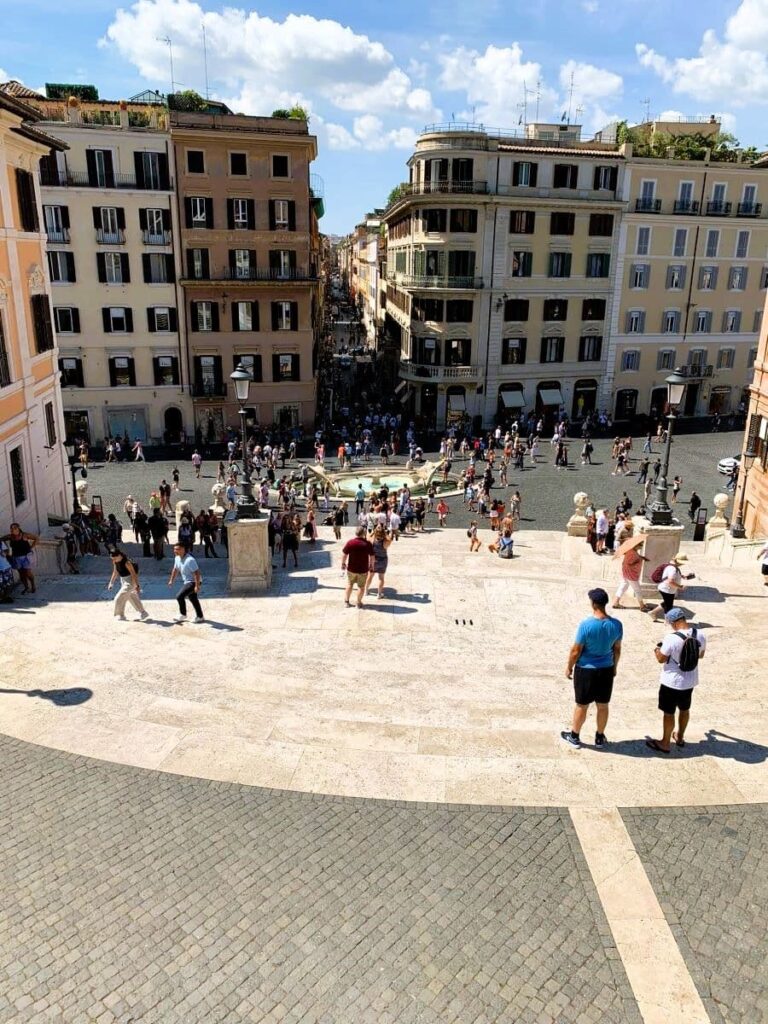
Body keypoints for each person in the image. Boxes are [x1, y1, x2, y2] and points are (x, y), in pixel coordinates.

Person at [562, 588, 623, 748]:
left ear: (593, 604)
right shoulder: (616, 625)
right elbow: (617, 649)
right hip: (606, 669)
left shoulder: (586, 625)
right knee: (603, 705)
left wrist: (569, 667)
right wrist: (614, 667)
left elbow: (576, 651)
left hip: (586, 669)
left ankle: (574, 736)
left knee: (582, 705)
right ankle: (599, 737)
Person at [646, 608, 706, 754]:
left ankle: (665, 742)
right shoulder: (700, 635)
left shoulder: (671, 638)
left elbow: (661, 659)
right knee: (685, 710)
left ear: (673, 622)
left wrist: (656, 649)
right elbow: (701, 655)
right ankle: (679, 737)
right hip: (690, 681)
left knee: (669, 713)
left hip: (671, 682)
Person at [107, 548, 149, 622]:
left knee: (119, 597)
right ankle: (143, 613)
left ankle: (120, 614)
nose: (113, 560)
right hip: (123, 580)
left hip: (130, 581)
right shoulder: (115, 561)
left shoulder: (127, 563)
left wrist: (137, 586)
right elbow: (115, 571)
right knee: (131, 597)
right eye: (112, 558)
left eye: (114, 558)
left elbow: (134, 574)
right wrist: (111, 582)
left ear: (119, 555)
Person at [648, 554, 692, 621]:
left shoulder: (671, 566)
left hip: (666, 588)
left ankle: (652, 612)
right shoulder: (673, 569)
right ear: (678, 561)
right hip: (667, 589)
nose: (682, 565)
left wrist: (683, 576)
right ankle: (667, 622)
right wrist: (680, 587)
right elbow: (670, 581)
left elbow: (670, 577)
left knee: (667, 603)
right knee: (669, 606)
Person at [168, 542, 204, 623]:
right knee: (193, 598)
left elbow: (197, 573)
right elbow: (175, 569)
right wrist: (171, 580)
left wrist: (197, 586)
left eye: (177, 549)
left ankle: (183, 614)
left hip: (194, 581)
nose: (175, 551)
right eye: (174, 549)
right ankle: (200, 616)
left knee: (179, 596)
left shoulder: (190, 560)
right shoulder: (177, 558)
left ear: (183, 549)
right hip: (187, 581)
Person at [613, 532, 649, 610]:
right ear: (636, 546)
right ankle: (642, 606)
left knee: (623, 586)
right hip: (631, 574)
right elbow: (631, 563)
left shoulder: (630, 551)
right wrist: (640, 559)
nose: (641, 546)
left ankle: (616, 602)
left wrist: (641, 557)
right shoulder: (633, 553)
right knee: (637, 590)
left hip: (625, 572)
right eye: (640, 545)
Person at [341, 526, 374, 608]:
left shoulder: (350, 542)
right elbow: (372, 556)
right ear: (363, 533)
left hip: (351, 569)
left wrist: (343, 563)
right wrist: (371, 566)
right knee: (361, 587)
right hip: (363, 570)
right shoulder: (367, 544)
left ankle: (346, 602)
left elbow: (344, 554)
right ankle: (358, 603)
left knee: (349, 584)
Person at [1, 523, 37, 593]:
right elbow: (1, 539)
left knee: (28, 572)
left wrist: (31, 547)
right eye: (11, 528)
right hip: (16, 557)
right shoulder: (10, 536)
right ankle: (26, 587)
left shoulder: (24, 535)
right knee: (21, 573)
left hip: (26, 557)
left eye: (14, 528)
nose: (12, 530)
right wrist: (7, 551)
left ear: (18, 528)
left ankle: (33, 585)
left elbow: (36, 538)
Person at [366, 523, 393, 599]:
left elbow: (368, 535)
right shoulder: (386, 542)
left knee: (370, 576)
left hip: (373, 560)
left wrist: (373, 532)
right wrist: (385, 532)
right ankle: (379, 594)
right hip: (383, 560)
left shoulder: (371, 540)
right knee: (381, 578)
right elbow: (390, 538)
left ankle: (366, 591)